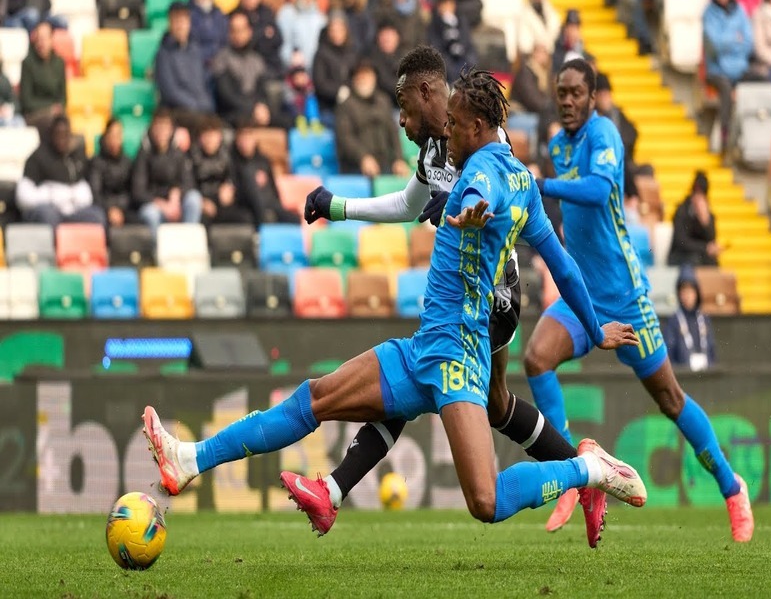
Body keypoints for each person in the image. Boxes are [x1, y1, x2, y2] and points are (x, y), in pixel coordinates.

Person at [142, 68, 646, 540]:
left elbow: (484, 198)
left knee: (485, 501)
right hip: (424, 347)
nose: (446, 134)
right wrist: (595, 329)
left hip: (459, 356)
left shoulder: (485, 175)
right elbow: (561, 264)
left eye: (453, 125)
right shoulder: (519, 181)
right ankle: (189, 459)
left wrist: (467, 212)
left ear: (475, 125)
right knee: (313, 397)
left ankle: (589, 469)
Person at [291, 46, 610, 546]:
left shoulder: (484, 133)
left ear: (427, 93)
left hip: (492, 294)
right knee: (496, 403)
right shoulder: (433, 151)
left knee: (420, 375)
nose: (401, 120)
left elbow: (496, 188)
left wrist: (462, 200)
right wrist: (339, 206)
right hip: (463, 295)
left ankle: (334, 488)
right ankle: (583, 468)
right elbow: (408, 204)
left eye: (404, 106)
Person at [507, 58, 752, 542]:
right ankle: (574, 476)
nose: (568, 100)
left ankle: (730, 487)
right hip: (583, 299)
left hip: (625, 298)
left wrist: (542, 184)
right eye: (561, 92)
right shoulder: (558, 143)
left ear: (593, 96)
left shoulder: (605, 137)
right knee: (536, 358)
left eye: (577, 92)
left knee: (669, 398)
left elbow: (598, 193)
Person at [16, 115, 105, 227]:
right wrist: (49, 195)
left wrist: (76, 195)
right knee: (49, 215)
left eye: (65, 135)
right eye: (58, 135)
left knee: (97, 216)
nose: (62, 140)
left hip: (73, 209)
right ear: (51, 135)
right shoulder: (38, 156)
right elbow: (23, 196)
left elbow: (85, 187)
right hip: (47, 208)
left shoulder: (77, 156)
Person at [131, 108, 203, 237]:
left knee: (194, 198)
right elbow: (138, 192)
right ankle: (158, 251)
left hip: (175, 204)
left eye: (165, 127)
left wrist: (177, 195)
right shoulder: (143, 154)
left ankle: (188, 243)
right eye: (158, 126)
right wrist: (161, 204)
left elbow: (189, 182)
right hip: (154, 204)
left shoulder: (178, 153)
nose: (161, 132)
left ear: (171, 130)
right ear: (152, 129)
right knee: (150, 214)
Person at [334, 58, 409, 177]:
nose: (364, 79)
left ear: (375, 78)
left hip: (385, 165)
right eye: (360, 75)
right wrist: (363, 157)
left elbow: (393, 133)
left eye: (368, 74)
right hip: (356, 168)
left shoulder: (384, 101)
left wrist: (399, 159)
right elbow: (345, 138)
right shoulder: (345, 106)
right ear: (353, 79)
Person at [211, 9, 285, 128]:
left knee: (287, 119)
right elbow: (227, 96)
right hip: (233, 113)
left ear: (249, 31)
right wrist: (253, 109)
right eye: (234, 30)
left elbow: (263, 91)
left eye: (242, 30)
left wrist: (263, 107)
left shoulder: (256, 60)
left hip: (255, 110)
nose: (238, 35)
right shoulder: (222, 60)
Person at [154, 1, 215, 133]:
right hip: (177, 111)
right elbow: (170, 91)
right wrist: (196, 106)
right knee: (205, 127)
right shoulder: (163, 54)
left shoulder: (195, 50)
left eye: (183, 20)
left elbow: (204, 82)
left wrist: (206, 104)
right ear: (170, 23)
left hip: (201, 108)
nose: (180, 25)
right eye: (176, 21)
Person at [703, 0, 754, 151]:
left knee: (763, 79)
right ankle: (725, 137)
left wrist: (728, 41)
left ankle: (752, 137)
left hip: (740, 68)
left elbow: (749, 43)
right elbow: (714, 46)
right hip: (716, 71)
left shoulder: (740, 11)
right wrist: (735, 39)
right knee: (726, 90)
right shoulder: (709, 13)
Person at [230, 118, 300, 224]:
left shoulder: (263, 160)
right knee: (249, 178)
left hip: (270, 204)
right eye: (242, 138)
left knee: (295, 219)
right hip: (247, 206)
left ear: (254, 139)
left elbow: (273, 188)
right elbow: (236, 191)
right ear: (237, 140)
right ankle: (263, 219)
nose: (245, 142)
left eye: (248, 137)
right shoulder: (233, 162)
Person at [191, 115, 253, 226]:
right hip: (202, 204)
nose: (210, 140)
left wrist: (230, 188)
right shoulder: (192, 157)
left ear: (220, 137)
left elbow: (233, 179)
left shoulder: (227, 156)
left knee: (245, 218)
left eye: (213, 135)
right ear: (200, 138)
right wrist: (202, 202)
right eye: (206, 135)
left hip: (222, 203)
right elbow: (188, 184)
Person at [311, 11, 359, 128]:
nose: (336, 34)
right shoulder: (321, 54)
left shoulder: (353, 52)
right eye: (333, 30)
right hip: (329, 107)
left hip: (352, 105)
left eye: (340, 30)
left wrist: (350, 91)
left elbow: (357, 76)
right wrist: (338, 92)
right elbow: (320, 83)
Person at [664, 266, 716, 372]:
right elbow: (670, 354)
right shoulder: (674, 321)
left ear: (696, 293)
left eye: (690, 291)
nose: (687, 296)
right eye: (684, 291)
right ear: (679, 294)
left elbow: (712, 351)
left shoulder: (704, 319)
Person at [19, 20, 65, 131]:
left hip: (56, 113)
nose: (41, 43)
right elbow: (26, 101)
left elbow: (63, 97)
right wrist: (50, 108)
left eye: (44, 38)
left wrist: (57, 108)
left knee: (64, 123)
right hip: (33, 114)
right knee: (53, 121)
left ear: (51, 39)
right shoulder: (28, 63)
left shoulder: (59, 62)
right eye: (39, 39)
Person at [88, 118, 135, 228]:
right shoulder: (96, 162)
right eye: (112, 135)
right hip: (103, 208)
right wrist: (110, 209)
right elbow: (95, 193)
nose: (115, 139)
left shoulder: (127, 162)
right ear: (106, 137)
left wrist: (120, 209)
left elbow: (133, 192)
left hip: (124, 208)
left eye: (118, 135)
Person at [668, 171, 721, 267]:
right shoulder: (682, 211)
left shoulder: (708, 214)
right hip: (681, 256)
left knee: (713, 262)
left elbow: (712, 239)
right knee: (693, 260)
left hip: (699, 254)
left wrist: (705, 221)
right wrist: (705, 248)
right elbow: (681, 241)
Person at [428, 0, 477, 84]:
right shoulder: (434, 27)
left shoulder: (461, 22)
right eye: (445, 5)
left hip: (464, 64)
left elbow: (468, 46)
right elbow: (437, 49)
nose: (448, 8)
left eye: (450, 4)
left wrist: (470, 64)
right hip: (447, 69)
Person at [237, 0, 284, 79]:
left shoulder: (266, 12)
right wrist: (263, 33)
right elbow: (245, 43)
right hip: (249, 68)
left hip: (273, 65)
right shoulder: (238, 16)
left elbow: (278, 39)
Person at [276, 0, 326, 71]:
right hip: (296, 69)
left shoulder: (320, 18)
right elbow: (283, 42)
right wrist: (290, 59)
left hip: (316, 69)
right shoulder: (287, 13)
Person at [510, 43, 553, 116]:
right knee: (547, 123)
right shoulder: (526, 72)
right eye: (538, 52)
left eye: (544, 52)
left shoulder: (544, 73)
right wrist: (549, 107)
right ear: (533, 53)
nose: (541, 55)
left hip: (533, 112)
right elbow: (533, 101)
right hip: (519, 113)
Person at [189, 0, 229, 66]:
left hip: (222, 65)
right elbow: (190, 49)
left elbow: (226, 42)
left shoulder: (220, 15)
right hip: (198, 65)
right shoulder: (188, 15)